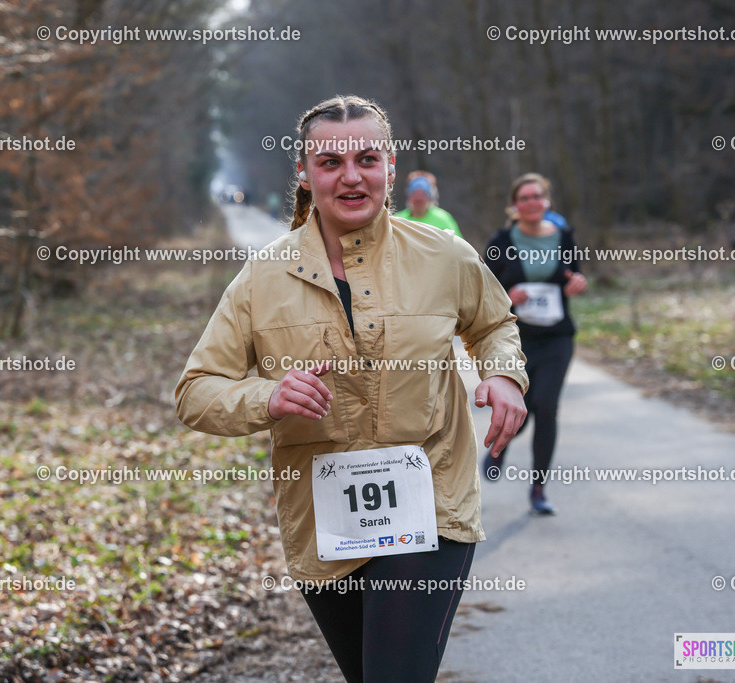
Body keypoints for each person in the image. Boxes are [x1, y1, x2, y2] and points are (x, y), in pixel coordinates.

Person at [176, 95, 528, 682]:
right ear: (305, 174)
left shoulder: (444, 256)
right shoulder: (262, 277)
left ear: (391, 166)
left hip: (430, 504)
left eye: (367, 159)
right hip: (325, 518)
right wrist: (268, 397)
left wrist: (503, 373)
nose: (351, 176)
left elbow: (494, 325)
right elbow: (195, 391)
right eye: (330, 162)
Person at [482, 172, 588, 515]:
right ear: (515, 205)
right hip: (517, 338)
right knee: (521, 406)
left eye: (536, 197)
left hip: (557, 335)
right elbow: (486, 290)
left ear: (547, 202)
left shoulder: (563, 237)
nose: (531, 203)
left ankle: (539, 489)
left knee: (546, 406)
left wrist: (577, 284)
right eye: (524, 198)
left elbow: (574, 275)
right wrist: (509, 296)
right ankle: (500, 446)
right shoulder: (501, 240)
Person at [394, 171, 463, 238]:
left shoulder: (443, 219)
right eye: (414, 194)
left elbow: (458, 246)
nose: (418, 198)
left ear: (430, 197)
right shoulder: (398, 220)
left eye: (423, 194)